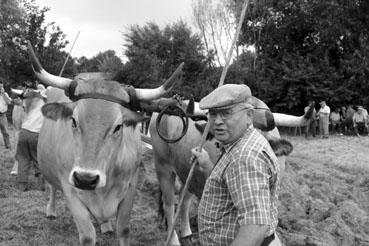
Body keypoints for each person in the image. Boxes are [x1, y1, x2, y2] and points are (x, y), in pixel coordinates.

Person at [191, 84, 282, 246]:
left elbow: (255, 227)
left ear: (249, 115)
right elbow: (230, 187)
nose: (217, 122)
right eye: (212, 114)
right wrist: (206, 165)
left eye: (226, 113)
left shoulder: (245, 157)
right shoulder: (238, 144)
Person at [16, 85, 47, 191]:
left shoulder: (27, 103)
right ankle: (42, 185)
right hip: (36, 133)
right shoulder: (44, 102)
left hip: (24, 132)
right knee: (38, 158)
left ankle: (21, 185)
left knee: (23, 158)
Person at [0, 82, 13, 149]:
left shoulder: (5, 94)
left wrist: (3, 94)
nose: (1, 88)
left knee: (5, 132)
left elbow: (9, 102)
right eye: (0, 87)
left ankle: (8, 146)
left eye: (2, 87)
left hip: (2, 115)